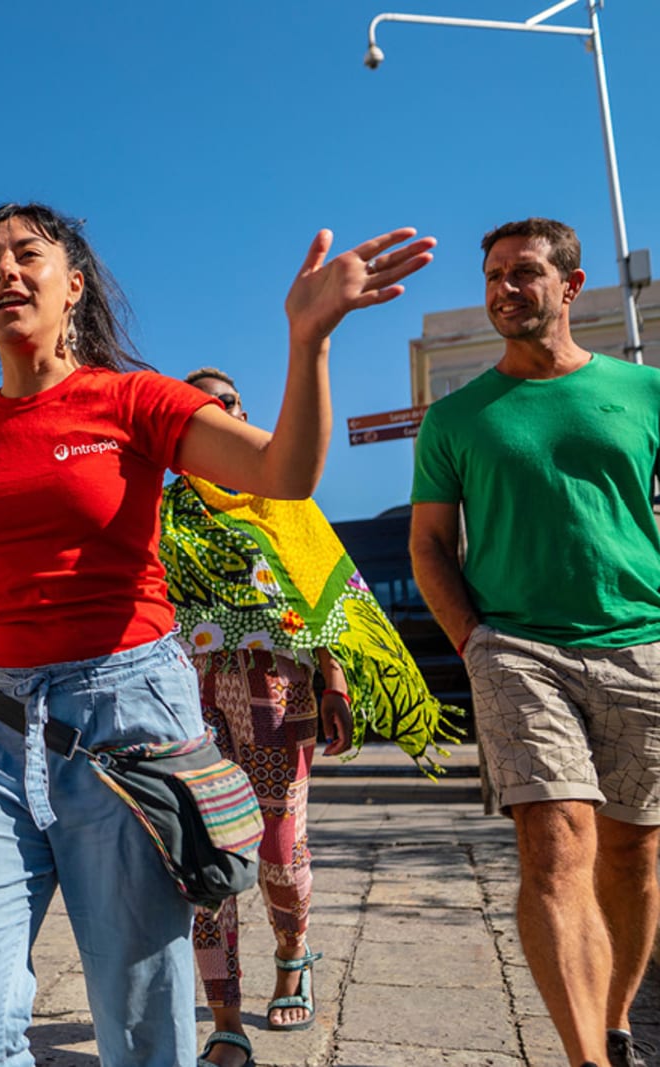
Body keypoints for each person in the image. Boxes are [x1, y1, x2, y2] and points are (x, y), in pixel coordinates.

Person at [0, 202, 434, 1066]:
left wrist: (309, 342)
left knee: (142, 1014)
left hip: (126, 726)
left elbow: (284, 473)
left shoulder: (132, 399)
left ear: (72, 284)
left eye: (26, 254)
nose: (4, 270)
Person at [409, 217, 660, 1067]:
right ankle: (584, 1056)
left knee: (634, 852)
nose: (503, 290)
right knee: (554, 843)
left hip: (642, 645)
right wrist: (476, 641)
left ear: (569, 285)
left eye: (522, 274)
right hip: (518, 650)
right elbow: (429, 546)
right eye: (492, 276)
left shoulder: (644, 392)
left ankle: (616, 1022)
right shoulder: (456, 419)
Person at [164, 367, 459, 1067]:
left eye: (226, 402)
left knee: (277, 846)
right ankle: (225, 1015)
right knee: (203, 850)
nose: (215, 412)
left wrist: (335, 681)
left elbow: (324, 592)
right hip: (191, 692)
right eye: (198, 406)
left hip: (279, 688)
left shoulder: (281, 494)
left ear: (244, 412)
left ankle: (293, 954)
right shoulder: (165, 513)